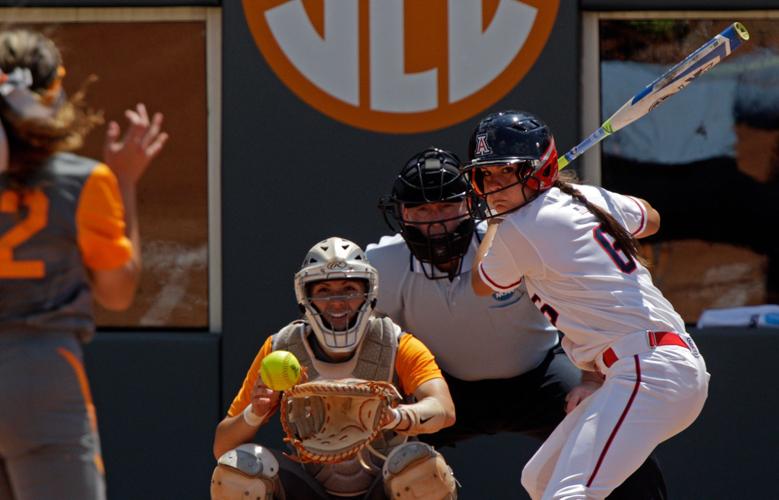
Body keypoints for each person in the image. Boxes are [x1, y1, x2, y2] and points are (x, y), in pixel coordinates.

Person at [368, 147, 668, 499]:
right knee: (375, 451)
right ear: (401, 213)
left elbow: (582, 309)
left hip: (541, 376)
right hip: (445, 390)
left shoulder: (518, 237)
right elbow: (366, 340)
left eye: (447, 206)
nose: (436, 221)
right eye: (421, 209)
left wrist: (591, 378)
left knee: (614, 435)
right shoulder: (382, 262)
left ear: (470, 204)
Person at [466, 110, 709, 499]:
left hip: (651, 370)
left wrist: (496, 220)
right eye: (486, 175)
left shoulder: (517, 228)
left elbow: (482, 283)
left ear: (537, 169)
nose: (494, 186)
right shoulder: (588, 197)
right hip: (647, 365)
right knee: (539, 479)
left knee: (569, 491)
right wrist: (564, 190)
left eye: (507, 172)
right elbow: (651, 218)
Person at [0, 30, 168, 500]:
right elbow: (117, 293)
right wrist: (125, 183)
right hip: (40, 371)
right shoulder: (83, 180)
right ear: (52, 92)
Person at [211, 237, 458, 500]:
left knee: (421, 470)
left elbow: (444, 409)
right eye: (324, 290)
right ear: (306, 297)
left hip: (382, 486)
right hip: (310, 486)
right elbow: (222, 448)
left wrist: (394, 418)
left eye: (349, 289)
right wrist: (255, 412)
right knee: (239, 473)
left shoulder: (396, 344)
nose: (337, 302)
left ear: (368, 293)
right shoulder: (281, 348)